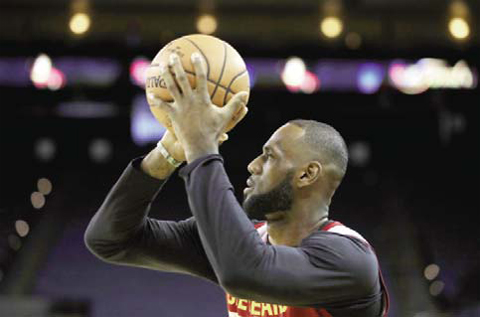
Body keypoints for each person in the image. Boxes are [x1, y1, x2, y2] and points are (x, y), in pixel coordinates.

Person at [85, 52, 389, 317]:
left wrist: (201, 145)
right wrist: (165, 155)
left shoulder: (349, 259)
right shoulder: (244, 241)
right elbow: (109, 240)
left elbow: (244, 271)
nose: (252, 165)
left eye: (269, 157)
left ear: (307, 175)